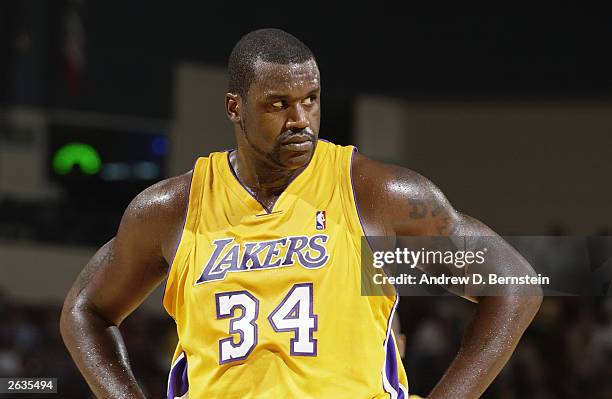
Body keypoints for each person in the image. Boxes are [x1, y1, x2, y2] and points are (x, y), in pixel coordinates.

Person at [60, 28, 542, 398]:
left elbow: (514, 284)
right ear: (235, 107)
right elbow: (86, 310)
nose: (300, 121)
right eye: (278, 104)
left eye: (310, 101)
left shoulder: (376, 193)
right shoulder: (172, 209)